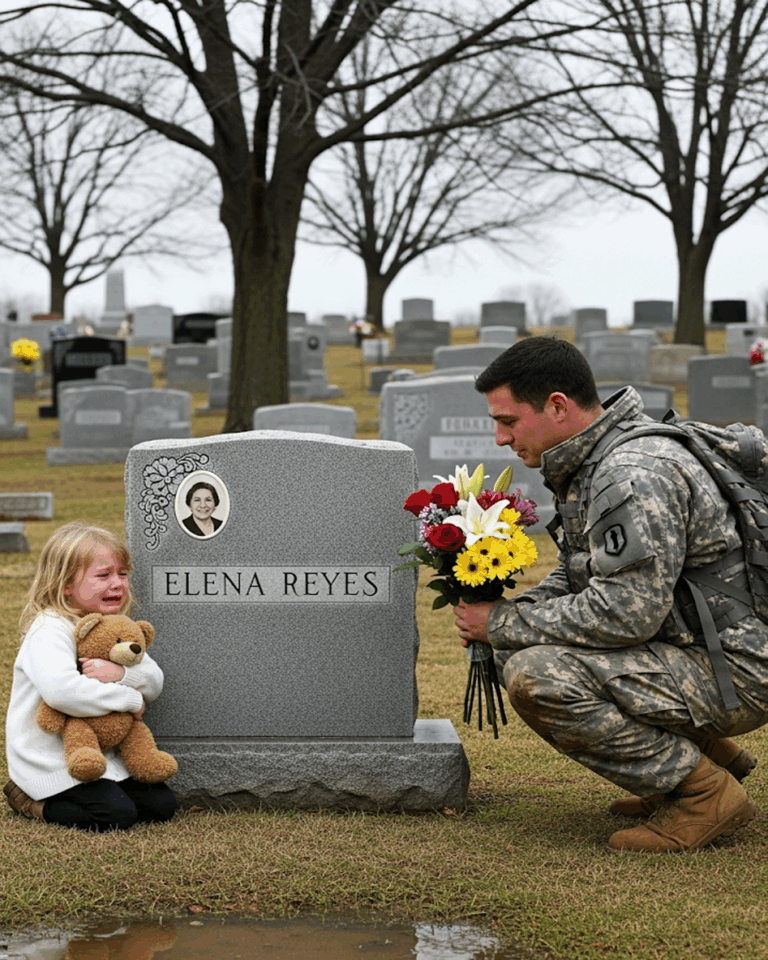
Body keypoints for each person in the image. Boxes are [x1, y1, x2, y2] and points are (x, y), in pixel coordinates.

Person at [453, 335, 768, 853]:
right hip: (705, 647)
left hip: (737, 666)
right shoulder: (601, 456)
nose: (500, 439)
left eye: (508, 421)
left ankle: (703, 793)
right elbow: (584, 576)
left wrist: (502, 625)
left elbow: (626, 614)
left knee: (538, 677)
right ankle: (708, 754)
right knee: (526, 643)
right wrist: (515, 612)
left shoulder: (629, 474)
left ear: (557, 406)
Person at [4, 521, 177, 831]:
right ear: (65, 584)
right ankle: (30, 802)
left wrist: (121, 673)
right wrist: (127, 699)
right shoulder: (50, 629)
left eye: (122, 574)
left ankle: (104, 787)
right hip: (52, 759)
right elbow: (62, 692)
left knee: (161, 806)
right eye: (103, 575)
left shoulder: (115, 626)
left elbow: (154, 679)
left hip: (101, 756)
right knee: (115, 815)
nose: (118, 584)